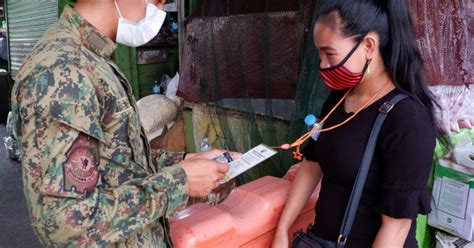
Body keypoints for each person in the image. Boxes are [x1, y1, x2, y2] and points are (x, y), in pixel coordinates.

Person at [11, 0, 237, 247]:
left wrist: (183, 163)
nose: (159, 12)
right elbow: (65, 223)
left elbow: (113, 164)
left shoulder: (91, 59)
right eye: (158, 1)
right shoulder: (63, 70)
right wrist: (179, 182)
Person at [273, 0, 436, 247]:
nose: (323, 65)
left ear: (369, 46)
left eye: (330, 53)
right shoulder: (339, 99)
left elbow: (395, 228)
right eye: (319, 53)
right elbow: (312, 164)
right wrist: (283, 230)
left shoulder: (408, 119)